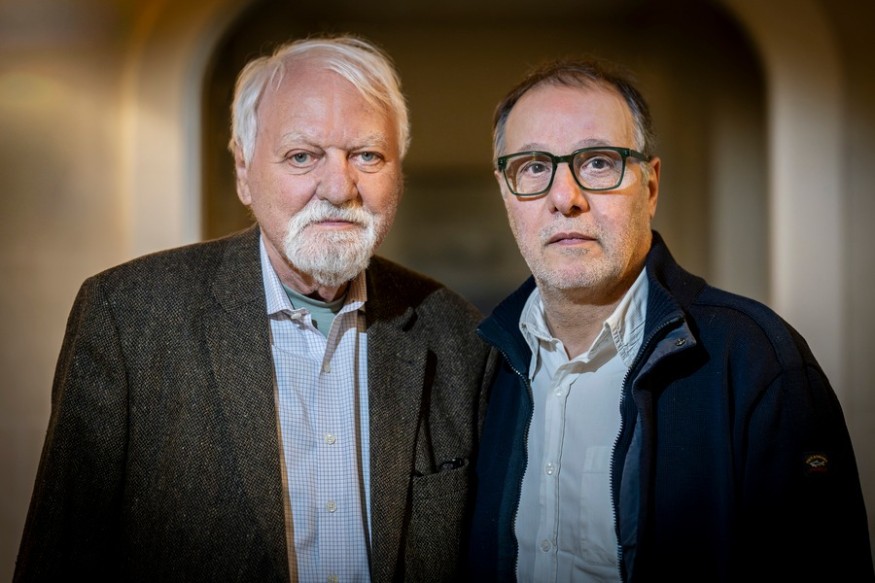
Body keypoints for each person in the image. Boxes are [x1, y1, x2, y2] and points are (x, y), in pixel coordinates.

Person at [15, 35, 493, 583]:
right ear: (244, 172)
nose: (339, 187)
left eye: (367, 155)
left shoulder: (460, 338)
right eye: (302, 156)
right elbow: (62, 557)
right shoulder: (129, 318)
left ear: (398, 172)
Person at [467, 56, 874, 582]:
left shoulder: (757, 360)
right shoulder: (478, 367)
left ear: (651, 187)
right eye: (533, 167)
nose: (565, 198)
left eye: (598, 162)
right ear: (507, 195)